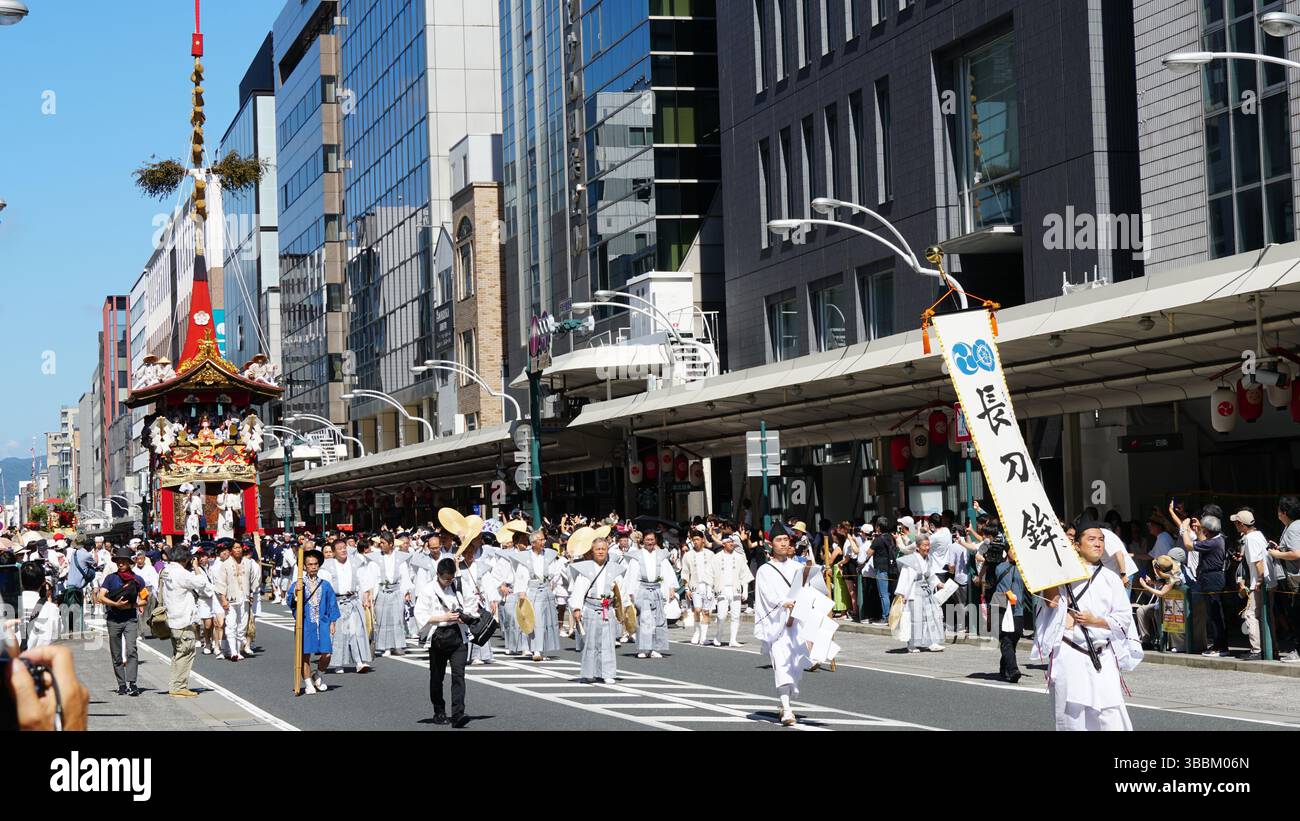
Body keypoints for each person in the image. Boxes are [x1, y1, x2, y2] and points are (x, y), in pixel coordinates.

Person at [1033, 521, 1142, 731]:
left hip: (1103, 654)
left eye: (1101, 539)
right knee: (1073, 717)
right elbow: (1051, 603)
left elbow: (1124, 617)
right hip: (1071, 652)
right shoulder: (1062, 575)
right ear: (1076, 544)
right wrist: (1050, 569)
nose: (1098, 544)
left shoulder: (1111, 578)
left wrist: (1095, 621)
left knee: (1112, 716)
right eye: (1091, 539)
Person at [752, 523, 813, 727]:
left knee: (795, 665)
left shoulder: (798, 567)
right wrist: (782, 603)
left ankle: (787, 700)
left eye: (786, 540)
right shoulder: (765, 570)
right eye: (779, 540)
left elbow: (807, 591)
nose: (783, 543)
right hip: (777, 623)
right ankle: (786, 708)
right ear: (771, 545)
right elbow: (764, 596)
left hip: (796, 622)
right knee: (781, 664)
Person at [414, 558, 472, 727]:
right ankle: (439, 711)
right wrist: (443, 617)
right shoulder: (428, 590)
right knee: (437, 676)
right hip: (438, 635)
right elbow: (420, 615)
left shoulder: (459, 585)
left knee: (458, 675)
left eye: (451, 578)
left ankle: (458, 714)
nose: (448, 581)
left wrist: (465, 615)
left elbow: (472, 604)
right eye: (445, 578)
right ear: (438, 575)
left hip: (458, 635)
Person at [1172, 505, 1229, 657]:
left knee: (1215, 613)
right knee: (1213, 613)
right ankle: (1219, 645)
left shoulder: (1214, 542)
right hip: (1209, 577)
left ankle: (1220, 647)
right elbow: (1200, 541)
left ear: (1208, 530)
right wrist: (1197, 530)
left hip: (1212, 578)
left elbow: (1189, 545)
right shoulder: (1215, 539)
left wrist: (1184, 529)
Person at [569, 537, 627, 684]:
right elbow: (579, 590)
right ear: (592, 551)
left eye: (603, 549)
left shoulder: (614, 569)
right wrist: (576, 608)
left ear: (607, 550)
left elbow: (621, 591)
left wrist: (624, 607)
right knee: (590, 642)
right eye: (597, 549)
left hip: (607, 609)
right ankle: (589, 673)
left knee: (607, 643)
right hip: (590, 608)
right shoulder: (586, 569)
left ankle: (607, 673)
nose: (601, 551)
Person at [159, 545, 215, 698]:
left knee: (178, 653)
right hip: (182, 619)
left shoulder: (166, 570)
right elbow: (201, 583)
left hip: (171, 618)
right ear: (184, 558)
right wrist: (196, 567)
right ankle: (179, 686)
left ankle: (175, 684)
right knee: (186, 652)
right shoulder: (181, 573)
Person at [506, 530, 563, 662]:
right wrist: (521, 591)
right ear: (533, 543)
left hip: (546, 588)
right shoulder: (526, 557)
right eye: (541, 540)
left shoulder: (548, 555)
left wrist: (553, 582)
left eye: (543, 540)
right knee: (535, 620)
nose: (543, 542)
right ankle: (535, 649)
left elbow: (555, 571)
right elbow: (521, 575)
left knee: (547, 620)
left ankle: (543, 648)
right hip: (532, 589)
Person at [287, 549, 339, 694]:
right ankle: (308, 682)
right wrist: (297, 593)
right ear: (304, 566)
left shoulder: (325, 584)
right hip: (306, 622)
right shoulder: (299, 583)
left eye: (315, 564)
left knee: (327, 653)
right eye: (310, 564)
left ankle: (319, 674)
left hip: (322, 622)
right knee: (305, 654)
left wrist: (332, 622)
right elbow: (290, 600)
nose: (313, 567)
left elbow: (332, 604)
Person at [96, 546, 144, 697]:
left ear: (130, 563)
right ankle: (121, 684)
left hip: (130, 619)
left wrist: (131, 605)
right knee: (116, 654)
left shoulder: (138, 580)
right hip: (113, 619)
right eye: (118, 561)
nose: (120, 564)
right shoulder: (110, 578)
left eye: (123, 561)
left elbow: (144, 600)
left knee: (132, 650)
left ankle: (133, 683)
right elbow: (100, 596)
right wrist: (115, 604)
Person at [320, 537, 372, 673]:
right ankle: (338, 663)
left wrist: (365, 598)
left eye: (344, 548)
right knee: (339, 633)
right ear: (333, 552)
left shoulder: (356, 563)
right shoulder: (327, 566)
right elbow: (325, 587)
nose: (343, 550)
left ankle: (360, 662)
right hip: (336, 601)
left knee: (356, 632)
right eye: (339, 549)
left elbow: (363, 582)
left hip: (353, 600)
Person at [625, 529, 677, 659]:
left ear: (655, 541)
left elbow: (668, 574)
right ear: (643, 541)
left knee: (657, 620)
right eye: (647, 540)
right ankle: (644, 648)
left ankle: (656, 648)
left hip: (657, 589)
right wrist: (631, 593)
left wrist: (671, 588)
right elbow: (632, 576)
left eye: (652, 540)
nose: (650, 542)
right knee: (644, 620)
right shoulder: (637, 556)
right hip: (642, 590)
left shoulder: (661, 555)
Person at [894, 536, 945, 653]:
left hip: (925, 592)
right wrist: (902, 595)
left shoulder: (928, 559)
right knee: (915, 619)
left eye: (928, 545)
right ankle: (912, 644)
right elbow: (905, 578)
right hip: (913, 592)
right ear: (917, 547)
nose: (927, 548)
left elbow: (930, 575)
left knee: (930, 618)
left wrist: (938, 583)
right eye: (924, 545)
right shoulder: (911, 561)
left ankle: (931, 642)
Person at [1231, 509, 1268, 660]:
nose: (1235, 525)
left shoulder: (1250, 539)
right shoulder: (1259, 534)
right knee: (1263, 615)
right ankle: (1268, 648)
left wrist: (1259, 580)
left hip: (1257, 583)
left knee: (1250, 615)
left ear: (1241, 524)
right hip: (1267, 582)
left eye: (1236, 523)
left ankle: (1256, 650)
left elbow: (1258, 562)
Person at [214, 540, 259, 660]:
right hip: (231, 598)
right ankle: (233, 651)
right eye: (235, 548)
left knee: (242, 625)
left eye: (239, 547)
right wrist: (223, 599)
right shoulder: (226, 564)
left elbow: (253, 579)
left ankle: (238, 650)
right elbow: (221, 583)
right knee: (231, 624)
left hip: (244, 598)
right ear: (231, 550)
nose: (238, 550)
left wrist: (251, 592)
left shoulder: (248, 563)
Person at [370, 534, 412, 657]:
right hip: (382, 590)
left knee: (397, 619)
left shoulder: (400, 558)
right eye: (380, 542)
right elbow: (374, 577)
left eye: (383, 543)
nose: (380, 545)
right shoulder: (376, 558)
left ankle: (397, 645)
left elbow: (404, 576)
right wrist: (372, 595)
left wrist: (406, 592)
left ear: (391, 544)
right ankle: (385, 646)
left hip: (396, 590)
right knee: (383, 619)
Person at [1269, 495, 1300, 662]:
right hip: (1295, 577)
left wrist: (1277, 554)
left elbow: (1296, 553)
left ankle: (1298, 650)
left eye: (1279, 509)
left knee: (1296, 614)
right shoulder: (1293, 526)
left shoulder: (1294, 528)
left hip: (1296, 578)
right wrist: (1280, 548)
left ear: (1284, 512)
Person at [710, 529, 753, 646]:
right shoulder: (716, 558)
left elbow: (745, 574)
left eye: (732, 542)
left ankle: (733, 639)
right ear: (723, 543)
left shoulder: (739, 557)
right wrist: (710, 591)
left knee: (736, 615)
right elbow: (710, 574)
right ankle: (718, 635)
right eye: (729, 542)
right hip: (722, 589)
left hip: (735, 589)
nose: (732, 544)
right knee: (721, 615)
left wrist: (745, 590)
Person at [1136, 555, 1185, 653]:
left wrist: (1146, 586)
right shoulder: (1170, 573)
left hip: (1175, 607)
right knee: (1141, 610)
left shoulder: (1174, 577)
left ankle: (1163, 641)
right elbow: (1165, 585)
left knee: (1157, 611)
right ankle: (1146, 640)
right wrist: (1152, 582)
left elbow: (1162, 593)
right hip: (1165, 604)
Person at [991, 544, 1025, 681]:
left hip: (1018, 609)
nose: (1016, 553)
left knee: (1013, 639)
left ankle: (1003, 667)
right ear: (1007, 552)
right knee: (1006, 639)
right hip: (1001, 608)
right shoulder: (1000, 567)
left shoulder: (1024, 569)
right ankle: (1013, 670)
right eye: (1013, 550)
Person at [681, 529, 717, 645]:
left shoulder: (710, 554)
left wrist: (713, 587)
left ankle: (704, 637)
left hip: (707, 586)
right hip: (695, 586)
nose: (695, 542)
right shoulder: (688, 555)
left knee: (706, 611)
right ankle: (696, 632)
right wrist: (686, 588)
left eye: (697, 539)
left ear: (702, 540)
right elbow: (685, 573)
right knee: (697, 610)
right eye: (693, 540)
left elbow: (715, 571)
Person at [16, 561, 60, 650]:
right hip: (40, 661)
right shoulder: (52, 609)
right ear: (44, 582)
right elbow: (57, 633)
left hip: (12, 662)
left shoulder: (7, 606)